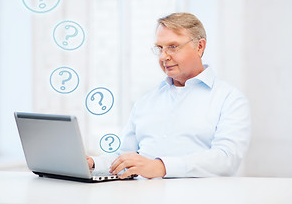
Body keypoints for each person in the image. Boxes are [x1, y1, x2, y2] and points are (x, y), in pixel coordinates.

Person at [87, 12, 251, 179]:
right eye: (160, 48)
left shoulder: (230, 99)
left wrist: (162, 167)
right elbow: (125, 157)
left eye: (173, 46)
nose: (164, 56)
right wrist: (93, 164)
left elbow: (226, 159)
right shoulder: (146, 101)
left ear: (200, 47)